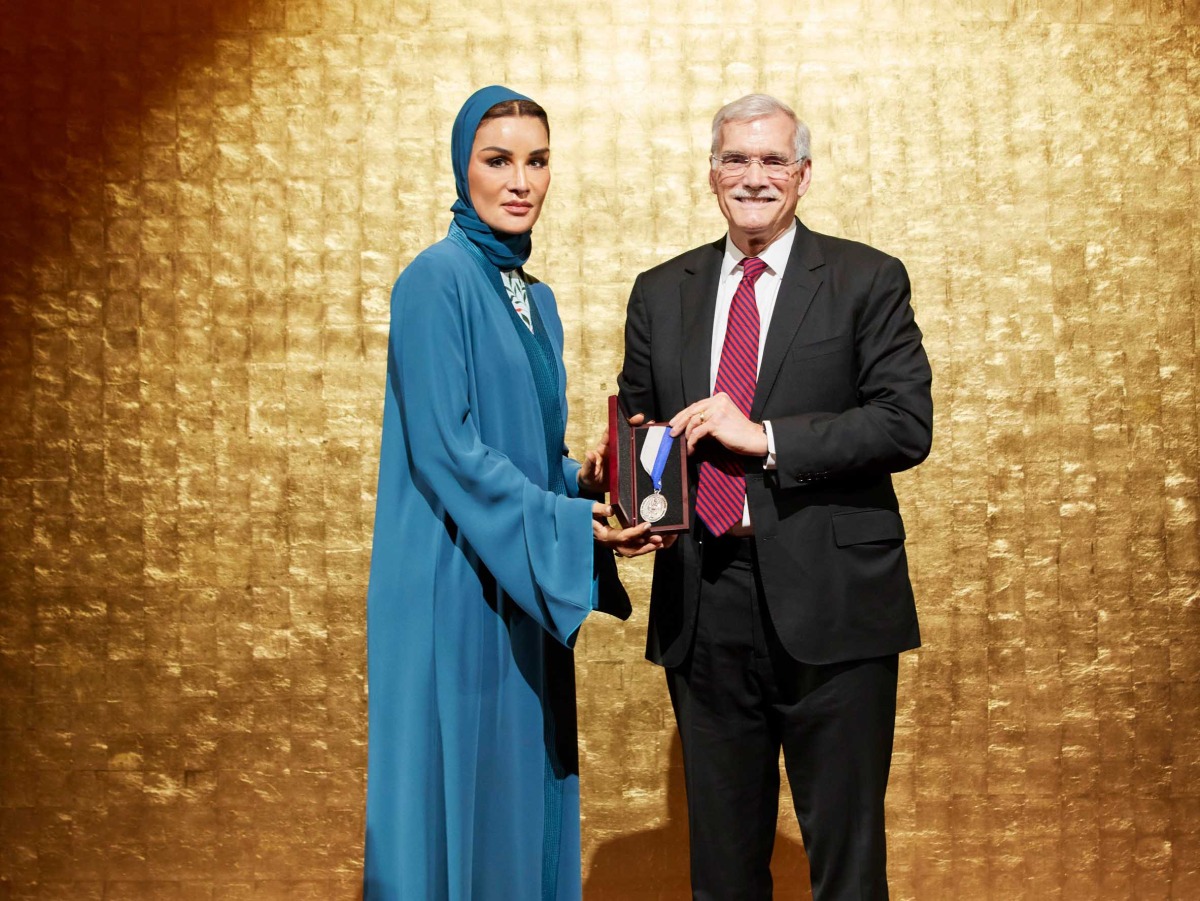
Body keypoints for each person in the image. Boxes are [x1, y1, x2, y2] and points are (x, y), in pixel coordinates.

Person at [617, 93, 933, 900]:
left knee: (847, 864)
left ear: (803, 174)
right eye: (735, 158)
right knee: (721, 872)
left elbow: (905, 423)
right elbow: (647, 423)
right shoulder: (660, 291)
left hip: (835, 606)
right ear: (710, 172)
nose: (752, 176)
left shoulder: (866, 278)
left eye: (771, 160)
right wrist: (618, 472)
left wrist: (766, 436)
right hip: (705, 599)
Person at [363, 85, 661, 900]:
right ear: (464, 168)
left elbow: (526, 453)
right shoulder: (434, 280)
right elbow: (450, 450)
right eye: (499, 160)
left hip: (515, 572)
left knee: (517, 786)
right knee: (454, 788)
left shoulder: (538, 301)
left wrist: (587, 485)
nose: (520, 180)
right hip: (449, 580)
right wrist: (569, 522)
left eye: (537, 161)